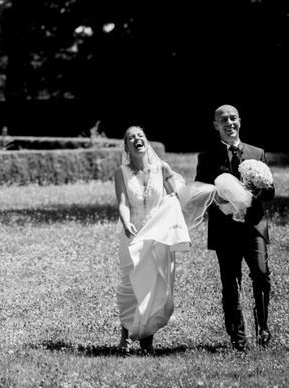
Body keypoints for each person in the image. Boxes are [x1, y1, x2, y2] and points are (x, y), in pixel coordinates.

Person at [195, 104, 275, 351]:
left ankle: (263, 327)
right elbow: (200, 193)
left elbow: (271, 192)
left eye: (233, 118)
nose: (229, 123)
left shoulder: (256, 152)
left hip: (254, 226)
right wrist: (218, 201)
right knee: (230, 282)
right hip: (225, 229)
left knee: (261, 274)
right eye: (223, 120)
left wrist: (258, 188)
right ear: (215, 125)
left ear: (239, 121)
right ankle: (238, 338)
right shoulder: (206, 157)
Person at [113, 126, 191, 355]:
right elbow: (123, 203)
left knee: (153, 286)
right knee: (130, 286)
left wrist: (175, 228)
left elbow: (175, 200)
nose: (136, 139)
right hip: (132, 235)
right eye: (130, 138)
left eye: (140, 136)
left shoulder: (162, 168)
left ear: (145, 141)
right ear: (126, 147)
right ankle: (126, 334)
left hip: (158, 235)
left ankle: (147, 339)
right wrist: (126, 223)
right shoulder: (121, 172)